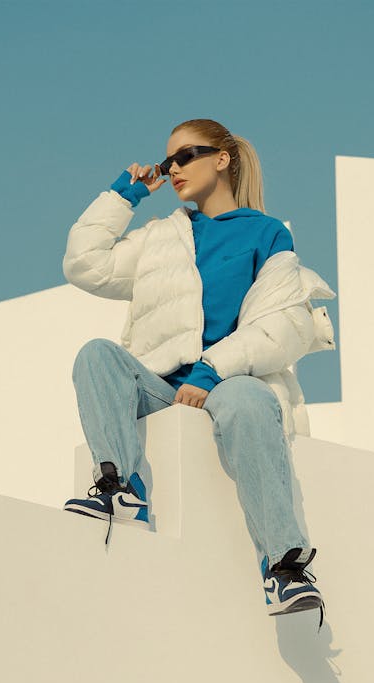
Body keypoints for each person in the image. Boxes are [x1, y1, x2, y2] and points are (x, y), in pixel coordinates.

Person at [62, 119, 336, 631]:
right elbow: (85, 265)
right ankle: (119, 487)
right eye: (168, 162)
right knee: (96, 355)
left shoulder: (267, 233)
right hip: (164, 387)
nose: (173, 169)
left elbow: (279, 323)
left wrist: (211, 371)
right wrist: (126, 195)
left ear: (223, 159)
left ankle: (284, 566)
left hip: (230, 381)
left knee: (250, 402)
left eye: (185, 156)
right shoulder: (162, 238)